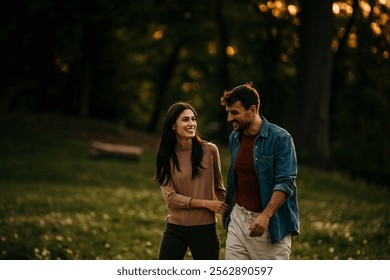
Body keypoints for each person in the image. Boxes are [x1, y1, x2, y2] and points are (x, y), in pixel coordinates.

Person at [220, 83, 300, 260]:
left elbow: (286, 182)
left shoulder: (281, 138)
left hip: (268, 224)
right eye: (228, 112)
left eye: (234, 113)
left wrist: (266, 215)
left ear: (252, 109)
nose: (229, 118)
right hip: (238, 220)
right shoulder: (235, 137)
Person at [154, 102, 229, 260]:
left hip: (205, 228)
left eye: (193, 119)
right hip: (175, 227)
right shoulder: (165, 156)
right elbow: (171, 198)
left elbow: (219, 188)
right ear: (173, 125)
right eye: (185, 120)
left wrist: (231, 216)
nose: (191, 123)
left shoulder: (210, 150)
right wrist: (207, 203)